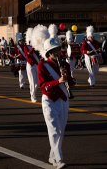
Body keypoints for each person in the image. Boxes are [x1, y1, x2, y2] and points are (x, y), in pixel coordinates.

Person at [38, 36, 76, 169]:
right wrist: (58, 81)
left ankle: (52, 156)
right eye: (54, 50)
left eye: (58, 49)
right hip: (50, 100)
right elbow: (43, 86)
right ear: (49, 52)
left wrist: (70, 80)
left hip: (63, 99)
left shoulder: (64, 64)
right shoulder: (42, 65)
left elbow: (70, 82)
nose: (57, 52)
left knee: (61, 131)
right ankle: (59, 159)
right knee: (54, 130)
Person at [24, 28, 40, 102]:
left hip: (36, 65)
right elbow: (28, 55)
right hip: (30, 65)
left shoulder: (35, 47)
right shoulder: (26, 47)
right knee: (33, 82)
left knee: (37, 83)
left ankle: (32, 94)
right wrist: (33, 48)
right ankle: (33, 96)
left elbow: (39, 55)